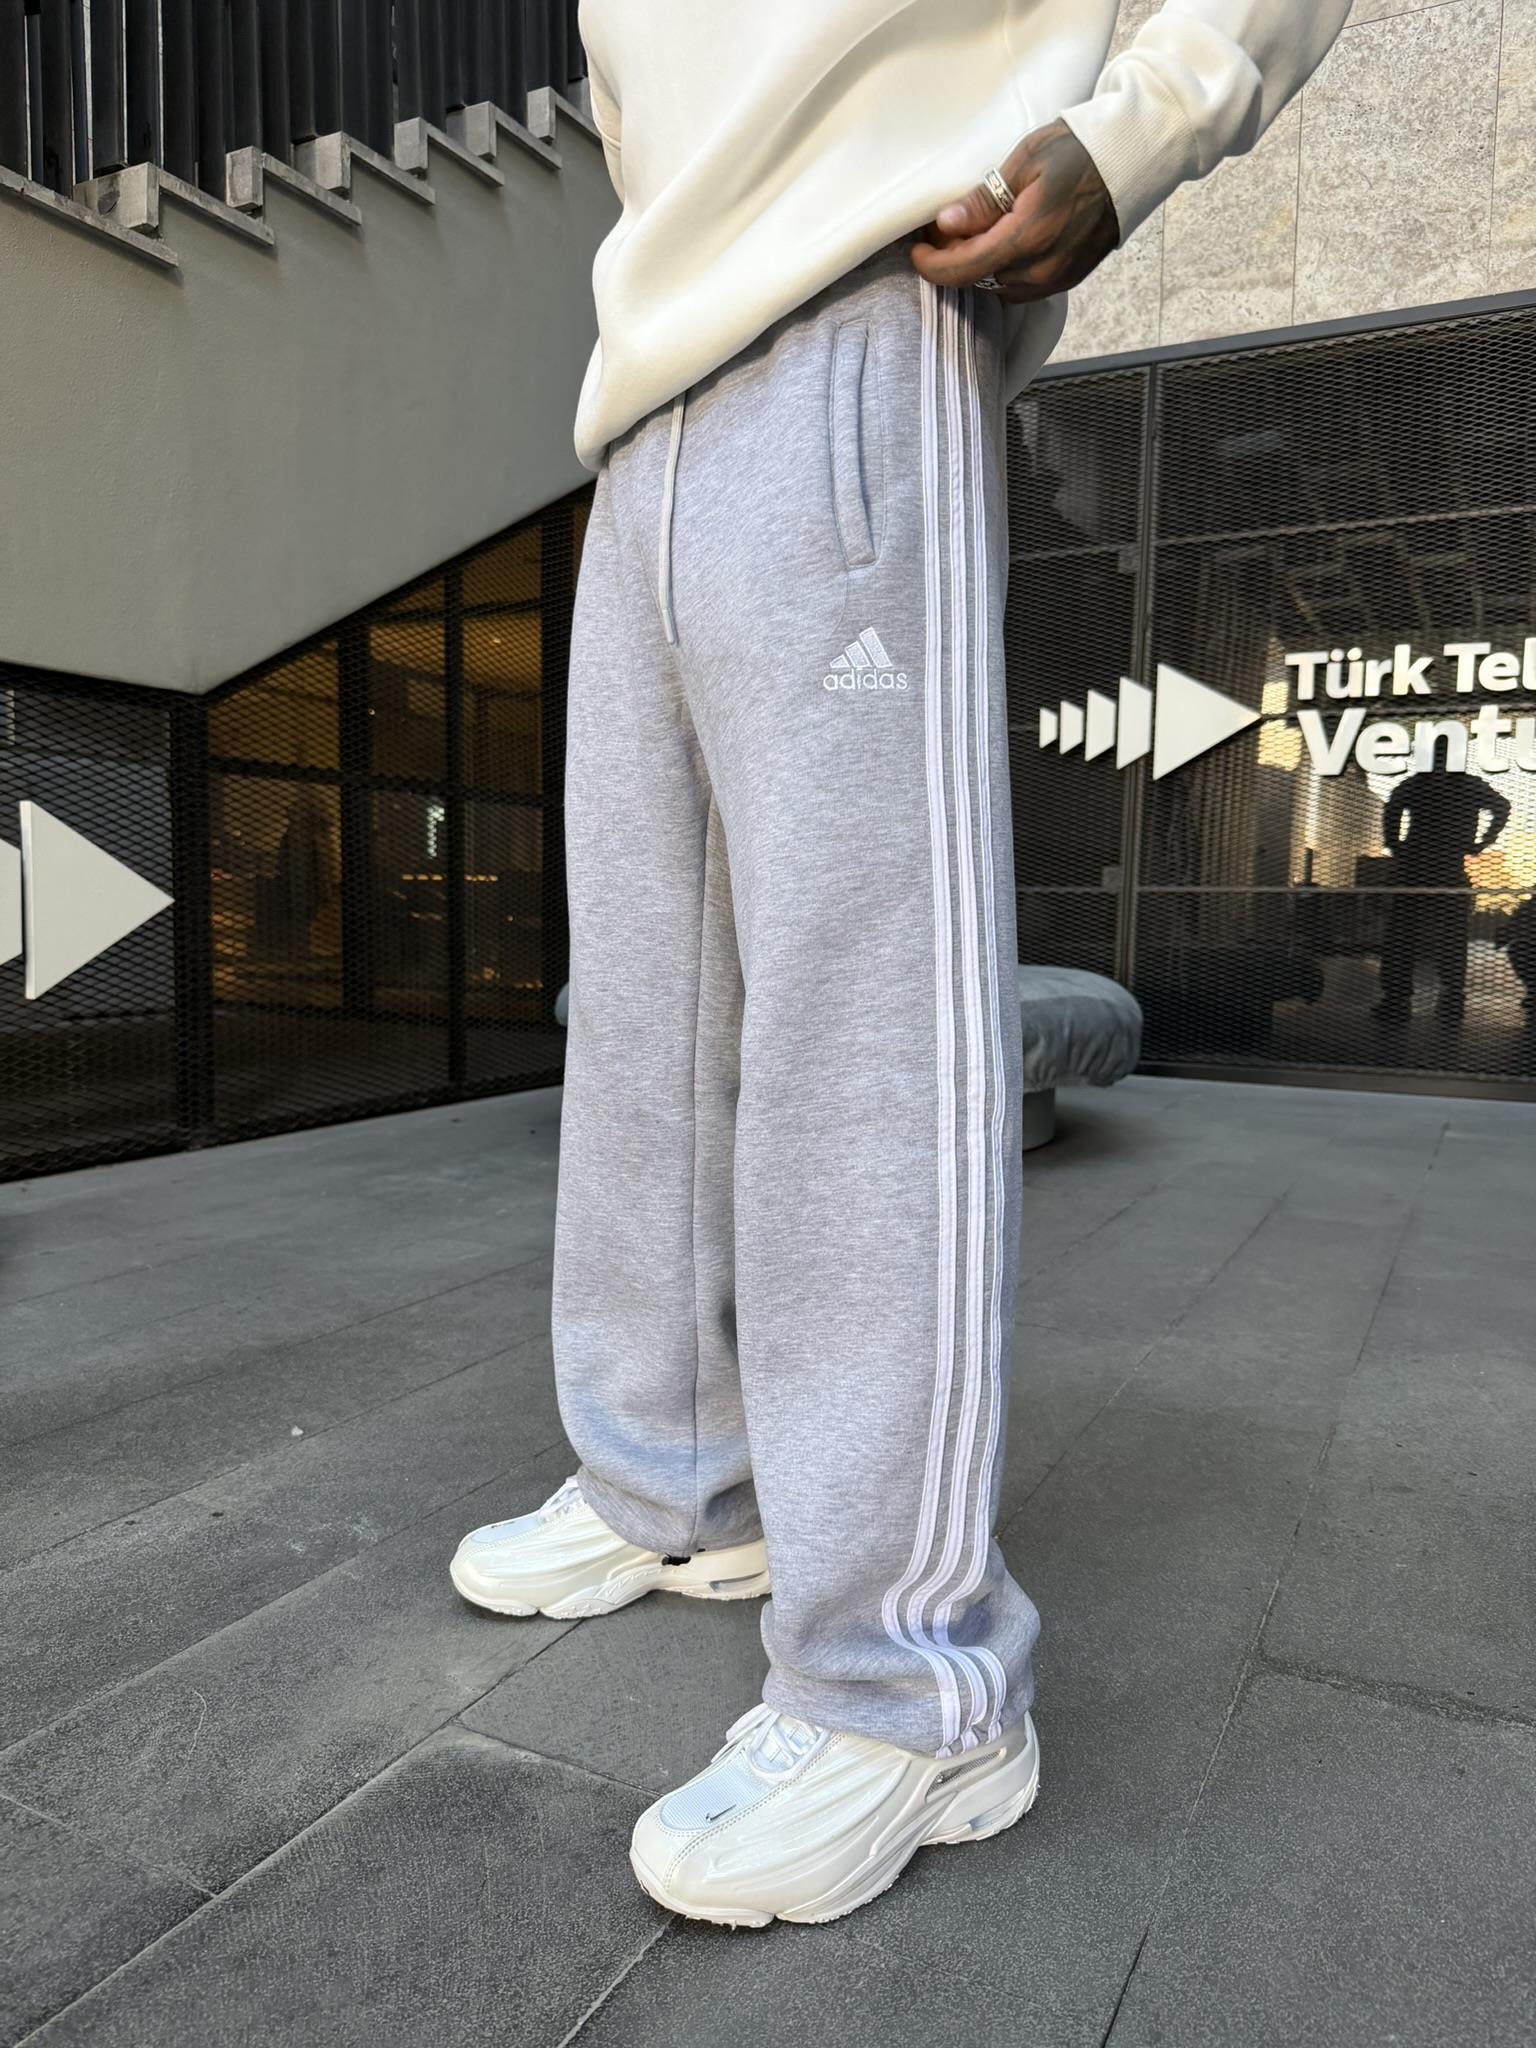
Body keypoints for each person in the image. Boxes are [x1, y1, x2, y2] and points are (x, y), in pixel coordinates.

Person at [452, 0, 1349, 1927]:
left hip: (862, 316)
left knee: (863, 1025)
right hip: (642, 408)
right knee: (645, 1019)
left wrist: (1145, 122)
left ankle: (910, 1679)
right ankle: (679, 1481)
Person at [1374, 767, 1511, 1029]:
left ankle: (1399, 999)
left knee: (1404, 934)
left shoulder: (1417, 783)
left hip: (1417, 866)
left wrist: (1396, 845)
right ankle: (1449, 998)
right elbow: (1502, 807)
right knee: (1450, 936)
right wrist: (1482, 842)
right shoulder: (1468, 785)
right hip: (1446, 866)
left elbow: (1392, 809)